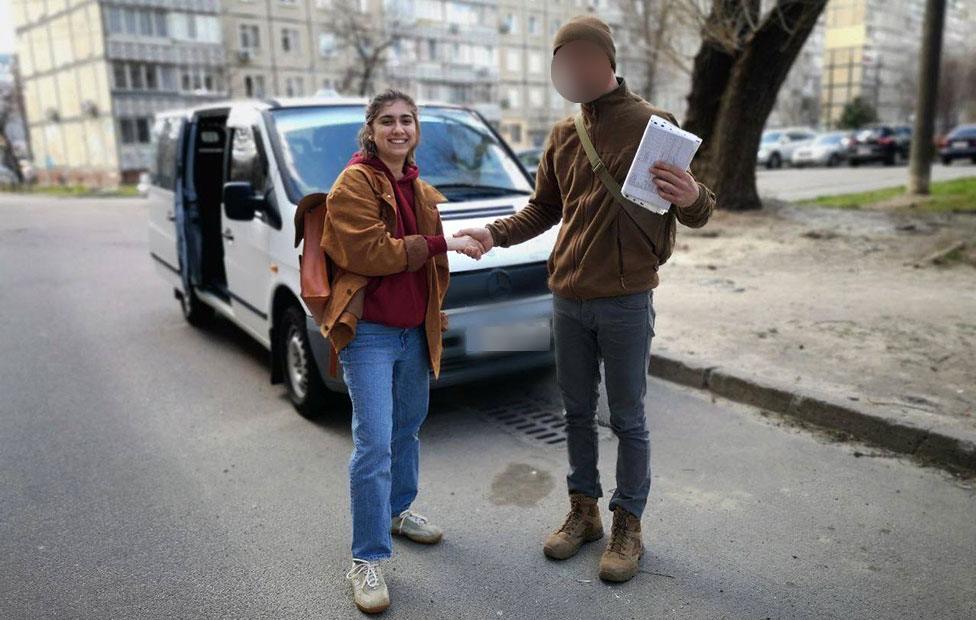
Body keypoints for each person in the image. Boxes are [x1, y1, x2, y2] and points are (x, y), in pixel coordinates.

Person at [455, 15, 717, 583]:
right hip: (567, 298)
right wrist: (493, 233)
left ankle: (629, 524)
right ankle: (583, 512)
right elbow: (544, 209)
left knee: (627, 418)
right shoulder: (562, 135)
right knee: (574, 412)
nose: (568, 69)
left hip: (625, 298)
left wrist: (693, 195)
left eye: (578, 57)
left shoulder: (653, 125)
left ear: (605, 61)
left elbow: (696, 208)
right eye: (560, 60)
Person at [321, 89, 485, 614]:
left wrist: (434, 311)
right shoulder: (353, 183)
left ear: (416, 130)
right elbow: (368, 252)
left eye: (407, 121)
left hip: (416, 330)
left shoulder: (418, 186)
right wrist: (443, 244)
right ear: (370, 129)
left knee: (406, 429)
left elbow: (431, 270)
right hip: (369, 331)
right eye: (387, 121)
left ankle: (398, 510)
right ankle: (365, 559)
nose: (398, 129)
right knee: (373, 445)